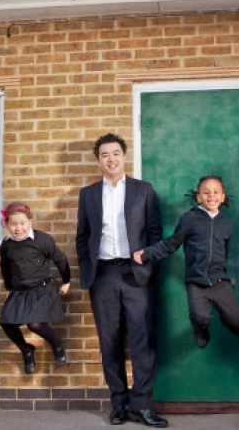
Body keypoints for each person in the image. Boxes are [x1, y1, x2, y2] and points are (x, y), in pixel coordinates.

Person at [76, 133, 168, 428]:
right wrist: (88, 265)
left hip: (136, 273)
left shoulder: (144, 190)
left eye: (116, 153)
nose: (111, 159)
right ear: (98, 160)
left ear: (124, 156)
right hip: (102, 274)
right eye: (105, 155)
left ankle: (141, 405)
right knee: (110, 341)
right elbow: (82, 237)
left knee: (141, 339)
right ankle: (119, 403)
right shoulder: (88, 194)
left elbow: (155, 233)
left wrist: (148, 264)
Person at [133, 175, 239, 350]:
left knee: (238, 321)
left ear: (223, 197)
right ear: (198, 197)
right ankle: (201, 329)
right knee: (200, 316)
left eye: (216, 192)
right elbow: (171, 244)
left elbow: (226, 252)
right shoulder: (189, 219)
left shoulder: (226, 224)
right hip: (196, 281)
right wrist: (147, 253)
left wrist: (223, 274)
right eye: (206, 192)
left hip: (219, 281)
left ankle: (229, 318)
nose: (211, 196)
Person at [0, 202, 71, 374]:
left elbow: (60, 259)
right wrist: (9, 288)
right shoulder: (7, 245)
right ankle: (26, 350)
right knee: (6, 322)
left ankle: (57, 344)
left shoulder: (42, 240)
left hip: (42, 289)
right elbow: (5, 268)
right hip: (20, 290)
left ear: (30, 221)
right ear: (7, 225)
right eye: (13, 224)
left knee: (35, 325)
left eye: (22, 223)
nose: (18, 228)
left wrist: (66, 281)